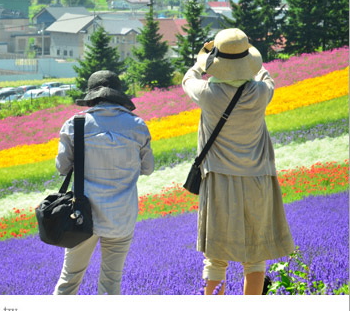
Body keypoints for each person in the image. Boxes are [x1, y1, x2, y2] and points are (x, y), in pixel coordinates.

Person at [182, 28, 295, 295]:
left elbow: (188, 78)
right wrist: (248, 59)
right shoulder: (260, 93)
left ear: (217, 64)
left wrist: (203, 59)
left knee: (216, 258)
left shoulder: (207, 94)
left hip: (220, 182)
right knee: (255, 257)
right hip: (257, 181)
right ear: (247, 61)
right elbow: (265, 75)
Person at [53, 70, 154, 295]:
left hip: (81, 216)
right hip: (122, 216)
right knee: (110, 284)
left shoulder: (75, 124)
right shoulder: (137, 125)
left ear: (93, 96)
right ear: (117, 95)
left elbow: (62, 168)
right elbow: (148, 168)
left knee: (69, 281)